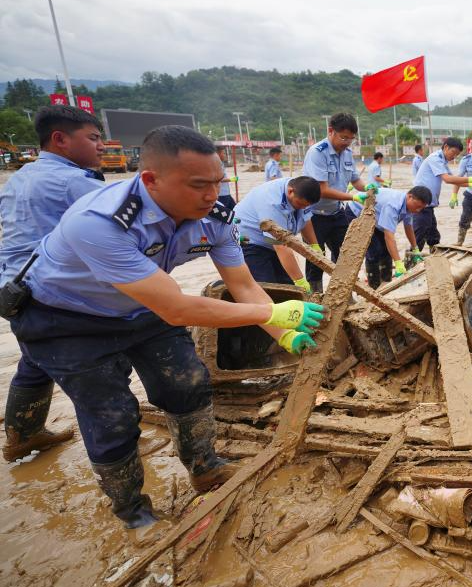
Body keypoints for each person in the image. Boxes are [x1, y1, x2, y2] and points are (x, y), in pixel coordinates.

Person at [9, 126, 323, 535]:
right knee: (113, 416)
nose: (211, 195)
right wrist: (277, 314)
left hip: (139, 306)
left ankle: (205, 467)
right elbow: (176, 308)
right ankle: (132, 512)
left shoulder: (214, 215)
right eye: (198, 185)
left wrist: (280, 330)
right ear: (151, 180)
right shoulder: (101, 222)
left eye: (217, 183)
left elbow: (243, 286)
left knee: (189, 382)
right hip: (65, 319)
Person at [0, 106, 106, 462]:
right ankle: (116, 451)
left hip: (14, 289)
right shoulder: (75, 181)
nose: (101, 147)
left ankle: (22, 435)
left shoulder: (19, 176)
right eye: (93, 138)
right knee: (97, 370)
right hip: (57, 293)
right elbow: (120, 232)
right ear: (60, 139)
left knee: (34, 361)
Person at [301, 113, 375, 292]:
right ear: (330, 131)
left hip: (336, 212)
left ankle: (342, 293)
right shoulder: (317, 153)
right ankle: (315, 295)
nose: (346, 142)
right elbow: (321, 190)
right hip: (314, 216)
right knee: (316, 257)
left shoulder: (347, 153)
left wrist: (367, 188)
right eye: (343, 137)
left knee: (345, 254)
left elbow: (355, 180)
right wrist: (354, 197)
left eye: (351, 139)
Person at [233, 176, 321, 288]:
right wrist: (300, 281)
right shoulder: (272, 202)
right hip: (250, 241)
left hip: (273, 244)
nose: (302, 208)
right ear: (290, 191)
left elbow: (306, 219)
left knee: (286, 284)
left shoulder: (301, 192)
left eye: (306, 206)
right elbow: (281, 247)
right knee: (267, 286)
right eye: (300, 204)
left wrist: (314, 244)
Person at [411, 137, 472, 252]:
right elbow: (447, 179)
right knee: (418, 238)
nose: (454, 157)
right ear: (446, 147)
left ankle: (434, 259)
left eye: (456, 155)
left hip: (428, 206)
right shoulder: (435, 158)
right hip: (420, 204)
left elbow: (455, 180)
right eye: (453, 153)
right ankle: (410, 265)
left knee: (433, 237)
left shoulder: (442, 161)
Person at [348, 186, 430, 288]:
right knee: (374, 251)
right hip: (357, 213)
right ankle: (375, 288)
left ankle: (387, 282)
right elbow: (389, 236)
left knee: (387, 251)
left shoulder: (408, 206)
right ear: (410, 197)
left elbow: (408, 227)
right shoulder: (393, 205)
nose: (418, 210)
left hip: (377, 217)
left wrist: (415, 248)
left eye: (422, 208)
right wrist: (399, 263)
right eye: (418, 206)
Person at [215, 146, 239, 212]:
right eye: (224, 153)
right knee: (225, 214)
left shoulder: (221, 163)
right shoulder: (216, 164)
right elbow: (217, 178)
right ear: (218, 153)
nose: (225, 155)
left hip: (226, 193)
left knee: (235, 211)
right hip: (221, 195)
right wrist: (231, 179)